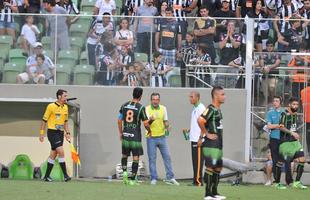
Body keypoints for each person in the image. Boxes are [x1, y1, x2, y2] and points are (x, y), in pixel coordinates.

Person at [118, 87, 151, 185]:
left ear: (133, 94)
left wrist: (120, 132)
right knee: (135, 157)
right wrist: (149, 130)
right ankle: (132, 179)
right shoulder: (141, 107)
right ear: (140, 96)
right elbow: (146, 124)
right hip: (135, 136)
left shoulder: (124, 105)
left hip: (125, 134)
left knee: (124, 155)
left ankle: (124, 174)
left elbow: (119, 120)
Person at [197, 86, 226, 200]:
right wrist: (206, 134)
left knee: (218, 167)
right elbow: (200, 120)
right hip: (211, 143)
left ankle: (215, 192)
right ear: (215, 96)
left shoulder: (218, 109)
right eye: (222, 94)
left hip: (218, 142)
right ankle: (207, 194)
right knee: (210, 167)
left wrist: (201, 136)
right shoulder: (210, 109)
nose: (224, 97)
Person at [145, 92, 179, 185]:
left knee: (167, 157)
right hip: (151, 137)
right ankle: (153, 178)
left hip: (162, 137)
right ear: (151, 100)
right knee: (152, 159)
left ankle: (170, 177)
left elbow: (165, 121)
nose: (155, 101)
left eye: (157, 99)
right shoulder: (147, 109)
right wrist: (151, 120)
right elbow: (146, 124)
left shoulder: (164, 108)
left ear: (159, 100)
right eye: (153, 99)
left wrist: (168, 126)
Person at [274, 97, 308, 189]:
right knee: (281, 162)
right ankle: (277, 183)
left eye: (297, 104)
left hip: (294, 142)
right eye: (294, 104)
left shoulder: (295, 114)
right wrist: (292, 132)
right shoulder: (284, 114)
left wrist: (295, 133)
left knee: (302, 159)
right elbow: (281, 127)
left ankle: (296, 182)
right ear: (289, 105)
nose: (296, 106)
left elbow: (293, 127)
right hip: (285, 142)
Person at [39, 89, 71, 182]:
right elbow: (44, 121)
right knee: (61, 151)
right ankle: (65, 176)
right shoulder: (51, 106)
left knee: (53, 154)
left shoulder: (65, 107)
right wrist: (41, 134)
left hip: (60, 133)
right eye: (65, 96)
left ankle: (46, 176)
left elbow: (65, 122)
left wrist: (68, 133)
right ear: (59, 97)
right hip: (52, 133)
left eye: (66, 96)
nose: (66, 97)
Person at [183, 91, 206, 186]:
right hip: (193, 139)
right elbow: (197, 124)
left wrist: (201, 138)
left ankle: (198, 181)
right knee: (195, 161)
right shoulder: (195, 108)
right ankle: (195, 180)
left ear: (197, 98)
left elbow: (205, 125)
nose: (190, 98)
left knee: (199, 162)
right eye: (189, 97)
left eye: (191, 97)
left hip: (199, 140)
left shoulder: (201, 108)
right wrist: (189, 130)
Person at [265, 96, 285, 186]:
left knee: (280, 160)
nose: (275, 102)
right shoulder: (270, 113)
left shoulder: (285, 112)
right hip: (273, 139)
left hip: (283, 139)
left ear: (280, 102)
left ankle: (278, 180)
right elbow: (269, 126)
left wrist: (275, 125)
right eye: (274, 101)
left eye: (277, 101)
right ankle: (276, 180)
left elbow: (286, 126)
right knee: (275, 160)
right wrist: (279, 125)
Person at [300, 86, 310, 155]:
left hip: (307, 117)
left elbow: (301, 104)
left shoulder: (303, 91)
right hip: (307, 117)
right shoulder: (303, 91)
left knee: (308, 135)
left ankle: (309, 151)